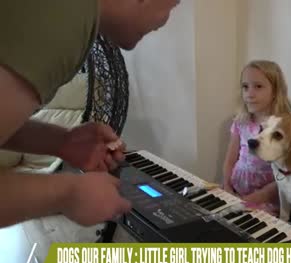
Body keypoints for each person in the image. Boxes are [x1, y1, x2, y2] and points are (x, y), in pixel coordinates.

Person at [0, 0, 180, 228]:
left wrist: (62, 142)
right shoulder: (66, 18)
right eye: (173, 4)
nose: (165, 20)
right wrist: (66, 194)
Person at [223, 60, 291, 216]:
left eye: (258, 86)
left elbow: (284, 177)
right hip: (235, 191)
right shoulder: (240, 122)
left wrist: (248, 200)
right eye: (245, 87)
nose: (250, 93)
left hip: (265, 199)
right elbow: (230, 160)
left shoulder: (284, 127)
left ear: (275, 91)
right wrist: (227, 188)